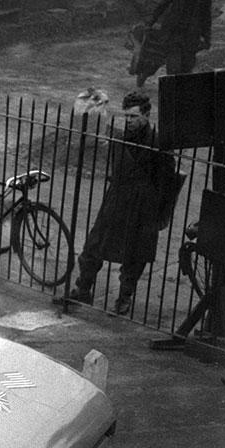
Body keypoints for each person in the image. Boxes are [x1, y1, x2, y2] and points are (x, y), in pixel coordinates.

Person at [68, 92, 174, 317]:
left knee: (134, 256)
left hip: (142, 205)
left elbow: (166, 181)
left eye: (134, 117)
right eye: (126, 117)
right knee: (94, 244)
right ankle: (83, 288)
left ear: (146, 115)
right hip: (117, 198)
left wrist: (160, 213)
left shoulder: (157, 142)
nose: (129, 122)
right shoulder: (119, 135)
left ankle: (124, 297)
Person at [133, 0, 213, 86]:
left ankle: (150, 76)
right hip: (173, 34)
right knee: (173, 67)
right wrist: (150, 22)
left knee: (186, 67)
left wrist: (206, 38)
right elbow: (162, 5)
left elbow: (206, 18)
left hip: (191, 37)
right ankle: (169, 90)